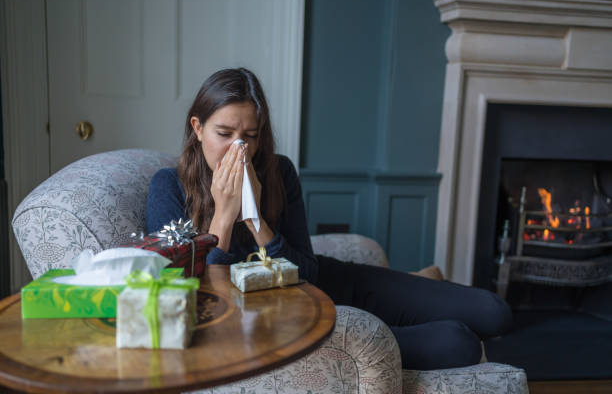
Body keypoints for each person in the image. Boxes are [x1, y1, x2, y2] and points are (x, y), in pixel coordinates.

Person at [146, 68, 512, 370]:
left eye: (250, 136)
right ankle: (415, 299)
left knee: (493, 312)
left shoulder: (278, 171)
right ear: (197, 127)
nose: (239, 148)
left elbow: (307, 269)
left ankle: (415, 290)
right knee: (458, 342)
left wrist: (256, 219)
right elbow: (195, 302)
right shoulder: (168, 188)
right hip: (285, 320)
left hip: (325, 283)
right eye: (224, 134)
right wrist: (225, 216)